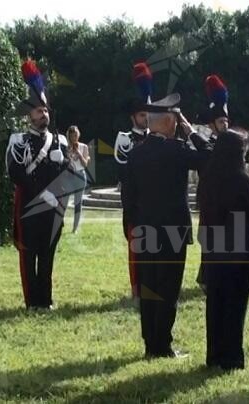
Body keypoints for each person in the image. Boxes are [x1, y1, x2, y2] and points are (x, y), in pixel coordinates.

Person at [124, 92, 212, 358]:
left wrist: (131, 228)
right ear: (169, 122)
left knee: (149, 287)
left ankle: (150, 343)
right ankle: (162, 346)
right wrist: (192, 132)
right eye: (176, 119)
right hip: (173, 231)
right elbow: (210, 158)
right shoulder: (177, 150)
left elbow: (128, 197)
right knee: (168, 289)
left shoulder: (136, 153)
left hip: (143, 229)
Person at [197, 129, 249, 370]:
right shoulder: (241, 179)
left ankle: (214, 355)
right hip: (239, 251)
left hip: (214, 249)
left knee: (215, 303)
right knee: (235, 305)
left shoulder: (207, 177)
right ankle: (232, 357)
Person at [6, 59, 70, 310]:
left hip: (53, 209)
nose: (43, 114)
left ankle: (46, 298)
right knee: (29, 254)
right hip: (29, 206)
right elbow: (16, 174)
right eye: (38, 111)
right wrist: (44, 196)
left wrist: (64, 163)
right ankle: (32, 300)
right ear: (29, 115)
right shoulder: (18, 141)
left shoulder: (60, 141)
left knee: (48, 255)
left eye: (45, 111)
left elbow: (66, 176)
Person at [115, 62, 153, 298]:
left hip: (155, 203)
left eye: (149, 113)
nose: (147, 118)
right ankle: (137, 289)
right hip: (135, 203)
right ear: (133, 117)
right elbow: (124, 175)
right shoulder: (124, 139)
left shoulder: (159, 138)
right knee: (136, 251)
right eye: (142, 114)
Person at [67, 125, 90, 233]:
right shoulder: (66, 147)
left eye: (75, 135)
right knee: (64, 201)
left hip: (80, 175)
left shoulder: (84, 147)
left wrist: (78, 152)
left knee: (78, 203)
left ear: (78, 135)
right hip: (69, 176)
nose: (74, 138)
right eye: (72, 136)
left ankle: (74, 229)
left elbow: (85, 164)